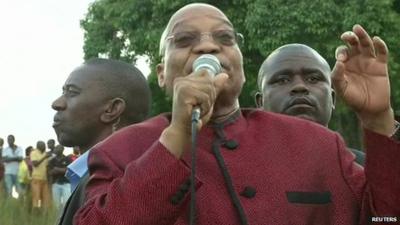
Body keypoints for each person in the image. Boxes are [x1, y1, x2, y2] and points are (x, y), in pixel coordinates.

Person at [72, 3, 399, 225]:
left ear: (241, 67)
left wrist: (378, 119)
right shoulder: (120, 151)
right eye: (185, 40)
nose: (207, 47)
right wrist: (176, 138)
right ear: (161, 74)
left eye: (224, 38)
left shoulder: (321, 144)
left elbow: (387, 218)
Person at [52, 58, 151, 225]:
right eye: (63, 92)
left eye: (72, 92)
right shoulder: (87, 173)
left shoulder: (120, 184)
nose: (57, 103)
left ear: (111, 109)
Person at [255, 43, 365, 165]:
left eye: (313, 79)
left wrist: (378, 118)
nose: (299, 86)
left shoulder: (365, 169)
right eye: (283, 80)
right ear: (260, 102)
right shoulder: (239, 171)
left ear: (332, 99)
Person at [48, 144, 71, 209]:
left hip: (66, 183)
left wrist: (57, 169)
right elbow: (50, 172)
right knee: (56, 205)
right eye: (56, 148)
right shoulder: (52, 160)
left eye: (58, 148)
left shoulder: (67, 159)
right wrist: (62, 170)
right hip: (55, 184)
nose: (56, 149)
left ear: (62, 149)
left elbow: (68, 171)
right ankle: (57, 219)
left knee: (66, 204)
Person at [30, 141, 51, 210]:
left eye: (45, 145)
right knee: (36, 197)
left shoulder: (45, 154)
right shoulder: (33, 153)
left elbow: (47, 167)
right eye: (43, 145)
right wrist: (45, 157)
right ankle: (35, 214)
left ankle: (44, 216)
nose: (45, 146)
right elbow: (35, 164)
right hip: (36, 179)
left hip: (44, 179)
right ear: (38, 146)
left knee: (45, 199)